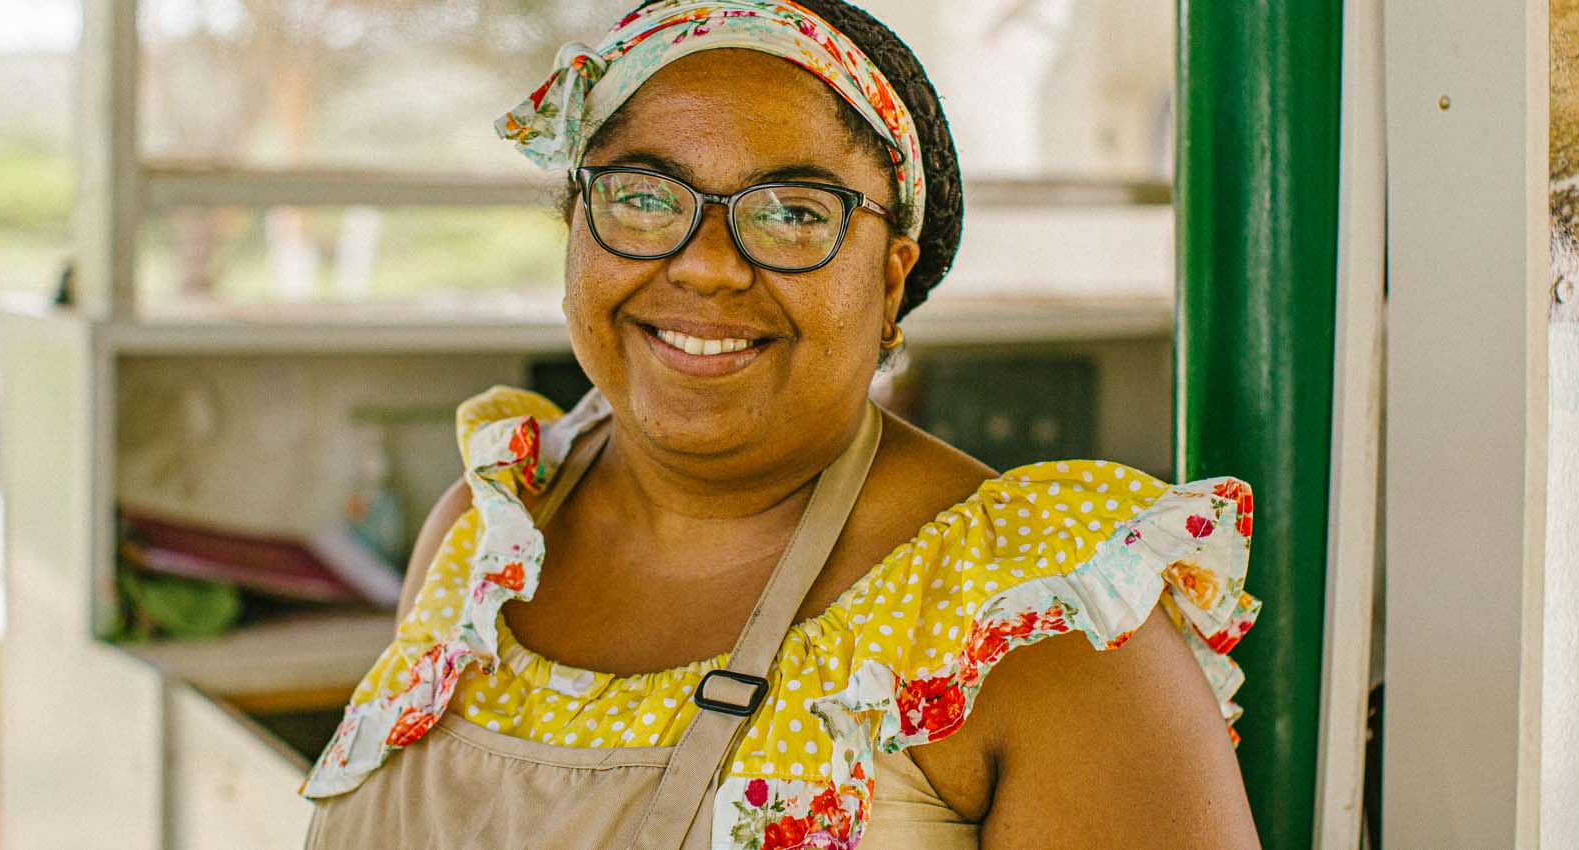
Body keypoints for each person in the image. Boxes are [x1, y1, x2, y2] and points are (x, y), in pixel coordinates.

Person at [301, 2, 1261, 848]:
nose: (706, 265)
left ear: (890, 281)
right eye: (643, 197)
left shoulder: (1036, 621)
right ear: (576, 230)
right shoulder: (481, 541)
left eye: (795, 213)